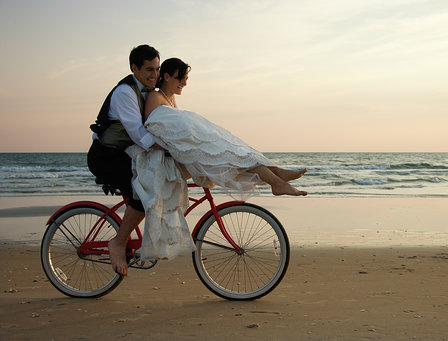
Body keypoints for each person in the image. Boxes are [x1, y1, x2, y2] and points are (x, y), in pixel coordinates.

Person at [143, 58, 308, 198]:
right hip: (172, 157)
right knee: (232, 155)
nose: (185, 83)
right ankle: (277, 180)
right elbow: (152, 128)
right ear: (166, 76)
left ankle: (276, 174)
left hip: (184, 153)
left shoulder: (170, 100)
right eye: (181, 78)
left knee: (236, 151)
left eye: (186, 78)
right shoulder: (155, 96)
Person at [87, 44, 162, 276]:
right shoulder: (125, 93)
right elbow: (138, 134)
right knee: (143, 192)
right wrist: (168, 146)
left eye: (157, 69)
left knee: (155, 183)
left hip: (123, 154)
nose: (154, 75)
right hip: (106, 157)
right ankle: (117, 243)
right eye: (149, 69)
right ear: (134, 68)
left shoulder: (150, 91)